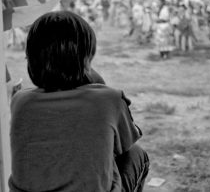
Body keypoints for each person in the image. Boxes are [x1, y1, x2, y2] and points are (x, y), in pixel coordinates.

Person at [8, 11, 149, 192]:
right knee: (137, 154)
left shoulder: (20, 101)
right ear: (87, 59)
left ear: (31, 59)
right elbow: (127, 142)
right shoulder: (108, 100)